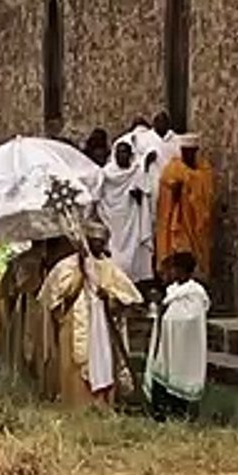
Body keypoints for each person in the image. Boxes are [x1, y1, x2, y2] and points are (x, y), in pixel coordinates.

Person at [39, 222, 142, 407]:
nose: (98, 246)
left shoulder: (109, 267)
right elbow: (54, 300)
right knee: (76, 362)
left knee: (103, 361)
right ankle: (76, 405)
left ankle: (102, 403)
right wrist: (80, 276)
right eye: (94, 241)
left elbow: (128, 298)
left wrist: (109, 298)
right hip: (75, 323)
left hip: (102, 325)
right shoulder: (67, 266)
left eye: (101, 242)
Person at [143, 251, 210, 421]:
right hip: (166, 346)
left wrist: (169, 316)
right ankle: (159, 413)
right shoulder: (171, 291)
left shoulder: (195, 293)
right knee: (161, 377)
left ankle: (180, 414)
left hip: (184, 348)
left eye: (175, 269)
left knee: (179, 379)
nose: (171, 273)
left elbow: (190, 319)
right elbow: (166, 316)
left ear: (185, 271)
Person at [155, 133, 214, 280]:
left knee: (195, 257)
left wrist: (191, 189)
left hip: (196, 224)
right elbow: (165, 196)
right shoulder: (172, 170)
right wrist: (175, 191)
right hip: (178, 222)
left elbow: (208, 195)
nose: (187, 154)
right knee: (179, 252)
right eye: (185, 151)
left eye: (191, 152)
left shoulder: (204, 171)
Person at [100, 141, 155, 284]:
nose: (122, 155)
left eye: (125, 152)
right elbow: (100, 195)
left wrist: (139, 197)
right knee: (113, 251)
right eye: (119, 152)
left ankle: (134, 284)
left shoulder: (136, 172)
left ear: (130, 155)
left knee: (134, 251)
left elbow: (146, 192)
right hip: (113, 219)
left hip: (132, 218)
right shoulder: (106, 173)